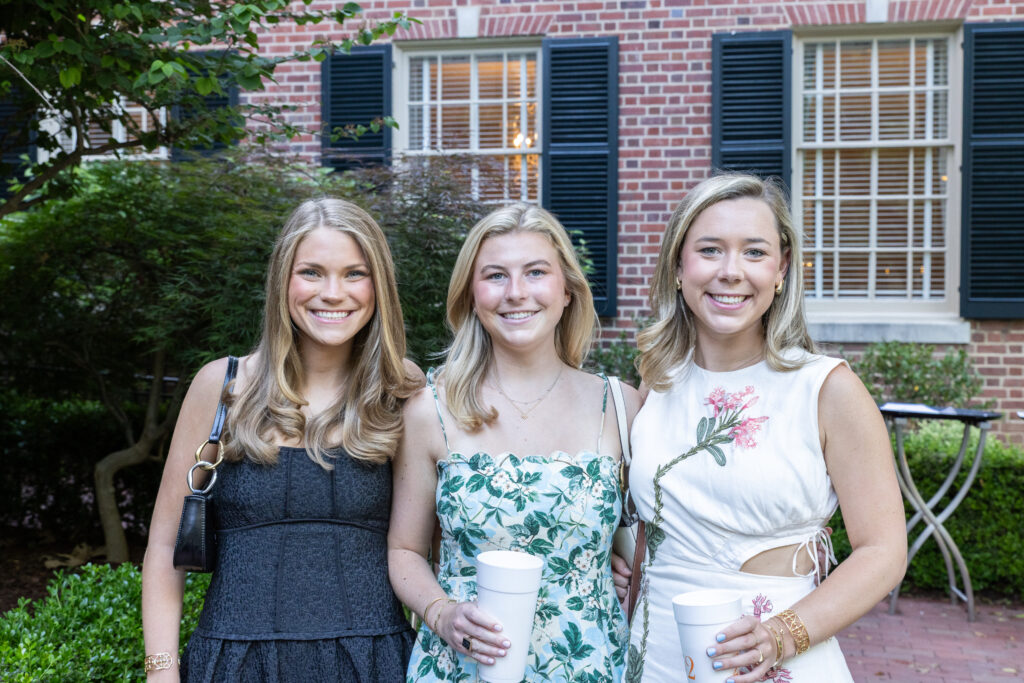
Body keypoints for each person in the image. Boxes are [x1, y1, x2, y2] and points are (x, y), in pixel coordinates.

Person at [623, 173, 907, 682]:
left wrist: (781, 635)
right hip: (654, 653)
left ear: (781, 270)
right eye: (710, 250)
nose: (731, 272)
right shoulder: (657, 379)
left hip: (773, 657)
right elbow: (646, 521)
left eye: (754, 252)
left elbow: (883, 553)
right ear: (679, 267)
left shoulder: (827, 389)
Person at [141, 198, 422, 681]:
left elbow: (433, 542)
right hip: (234, 665)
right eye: (311, 272)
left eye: (354, 274)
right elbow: (167, 543)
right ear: (281, 281)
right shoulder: (222, 386)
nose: (332, 293)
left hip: (374, 665)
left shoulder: (402, 390)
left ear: (379, 285)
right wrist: (160, 671)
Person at [388, 203, 642, 681]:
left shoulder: (620, 406)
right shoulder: (429, 411)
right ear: (471, 295)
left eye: (536, 272)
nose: (516, 293)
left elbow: (655, 538)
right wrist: (441, 612)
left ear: (567, 290)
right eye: (496, 276)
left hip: (590, 665)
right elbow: (404, 549)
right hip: (462, 667)